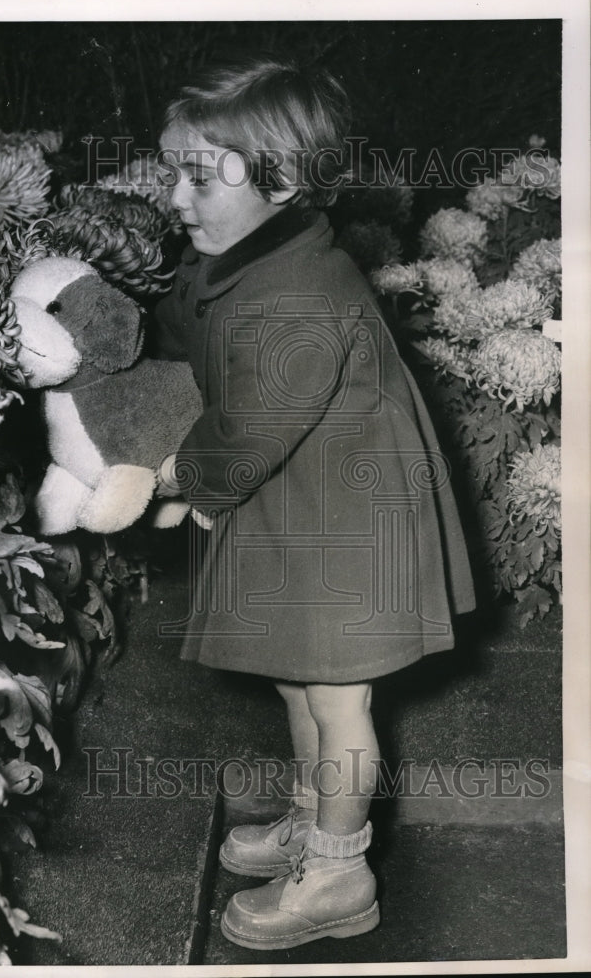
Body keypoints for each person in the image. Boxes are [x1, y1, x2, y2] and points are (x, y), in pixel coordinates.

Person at [151, 55, 476, 951]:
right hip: (310, 509)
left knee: (338, 704)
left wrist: (177, 475)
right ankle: (315, 820)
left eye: (195, 176)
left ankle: (338, 873)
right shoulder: (261, 256)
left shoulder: (297, 291)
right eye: (169, 171)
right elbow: (200, 328)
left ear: (284, 181)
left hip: (349, 529)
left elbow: (252, 423)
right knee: (301, 682)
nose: (175, 197)